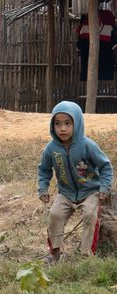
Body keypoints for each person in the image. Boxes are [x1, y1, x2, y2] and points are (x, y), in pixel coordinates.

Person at [38, 101, 113, 261]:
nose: (62, 128)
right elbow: (44, 169)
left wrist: (104, 187)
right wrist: (43, 188)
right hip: (66, 192)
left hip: (90, 191)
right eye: (57, 124)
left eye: (68, 123)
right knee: (55, 215)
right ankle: (55, 253)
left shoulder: (87, 145)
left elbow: (105, 166)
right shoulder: (51, 148)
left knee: (89, 215)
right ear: (52, 125)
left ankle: (85, 255)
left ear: (77, 123)